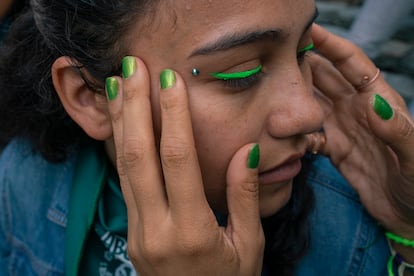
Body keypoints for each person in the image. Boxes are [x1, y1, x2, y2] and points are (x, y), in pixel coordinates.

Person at [0, 0, 413, 275]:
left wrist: (407, 236)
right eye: (242, 73)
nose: (309, 112)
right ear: (89, 97)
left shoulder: (342, 228)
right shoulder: (24, 181)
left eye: (303, 51)